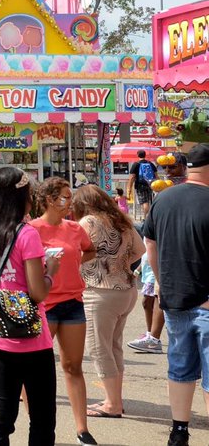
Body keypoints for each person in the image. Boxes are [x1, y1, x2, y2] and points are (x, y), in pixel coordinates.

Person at [0, 167, 59, 446]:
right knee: (42, 415)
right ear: (22, 196)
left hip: (0, 338)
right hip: (33, 340)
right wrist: (51, 271)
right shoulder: (27, 235)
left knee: (3, 411)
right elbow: (37, 292)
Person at [142, 143, 209, 446]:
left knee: (180, 367)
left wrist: (162, 280)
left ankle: (179, 431)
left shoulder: (163, 200)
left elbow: (150, 245)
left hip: (175, 298)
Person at [30, 176, 96, 445]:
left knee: (73, 366)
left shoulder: (74, 228)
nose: (70, 202)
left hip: (72, 302)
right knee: (34, 369)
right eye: (65, 197)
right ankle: (38, 426)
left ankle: (82, 429)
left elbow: (89, 251)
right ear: (49, 199)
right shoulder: (32, 229)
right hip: (42, 304)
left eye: (70, 197)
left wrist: (75, 260)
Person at [73, 184, 144, 421]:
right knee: (114, 346)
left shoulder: (88, 222)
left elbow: (74, 253)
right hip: (126, 289)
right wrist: (119, 263)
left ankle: (112, 403)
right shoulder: (121, 221)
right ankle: (115, 399)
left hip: (99, 292)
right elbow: (140, 249)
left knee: (99, 348)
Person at [128, 239, 165, 354]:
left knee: (152, 302)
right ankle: (150, 334)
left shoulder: (158, 226)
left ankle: (153, 337)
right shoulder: (148, 230)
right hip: (148, 273)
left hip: (155, 273)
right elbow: (146, 254)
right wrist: (137, 270)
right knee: (148, 303)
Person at [128, 149, 157, 217]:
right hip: (150, 185)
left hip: (140, 186)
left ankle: (146, 218)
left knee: (144, 202)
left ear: (137, 155)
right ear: (145, 155)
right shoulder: (150, 164)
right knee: (149, 201)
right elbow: (156, 176)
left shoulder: (136, 164)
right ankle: (150, 217)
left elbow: (132, 177)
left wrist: (129, 187)